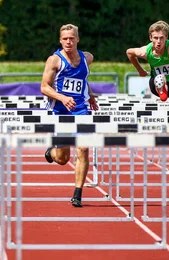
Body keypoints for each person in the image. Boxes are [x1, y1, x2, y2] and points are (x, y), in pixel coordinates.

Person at [40, 24, 98, 208]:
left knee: (83, 149)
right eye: (65, 38)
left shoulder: (87, 58)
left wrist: (90, 95)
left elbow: (82, 79)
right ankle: (51, 151)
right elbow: (44, 87)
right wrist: (63, 98)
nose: (68, 42)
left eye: (72, 38)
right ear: (60, 40)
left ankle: (77, 194)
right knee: (63, 159)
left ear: (77, 39)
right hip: (60, 111)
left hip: (80, 110)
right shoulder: (54, 61)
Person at [126, 20, 169, 110]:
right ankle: (161, 87)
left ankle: (165, 88)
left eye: (161, 38)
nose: (159, 41)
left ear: (166, 37)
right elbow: (129, 52)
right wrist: (140, 70)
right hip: (155, 83)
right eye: (156, 38)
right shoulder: (145, 51)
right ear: (150, 38)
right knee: (160, 77)